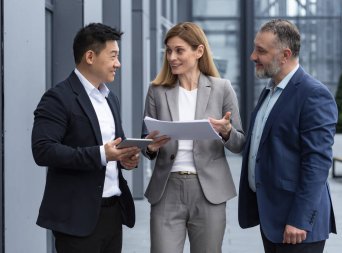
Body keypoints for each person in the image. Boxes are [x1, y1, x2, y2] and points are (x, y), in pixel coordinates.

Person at [32, 23, 140, 253]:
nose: (118, 64)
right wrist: (102, 154)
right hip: (75, 218)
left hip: (113, 213)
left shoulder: (111, 99)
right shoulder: (57, 98)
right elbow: (43, 150)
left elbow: (114, 147)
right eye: (113, 56)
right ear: (90, 56)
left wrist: (125, 158)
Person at [141, 22, 245, 253]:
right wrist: (151, 146)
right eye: (168, 50)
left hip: (209, 191)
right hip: (166, 190)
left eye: (179, 50)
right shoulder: (156, 91)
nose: (172, 57)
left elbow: (240, 144)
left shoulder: (222, 88)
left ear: (199, 51)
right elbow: (145, 145)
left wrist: (226, 132)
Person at [238, 19, 338, 253]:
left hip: (297, 226)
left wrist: (300, 219)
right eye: (255, 48)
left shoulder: (314, 94)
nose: (253, 56)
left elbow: (318, 162)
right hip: (272, 217)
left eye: (261, 50)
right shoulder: (269, 92)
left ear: (285, 54)